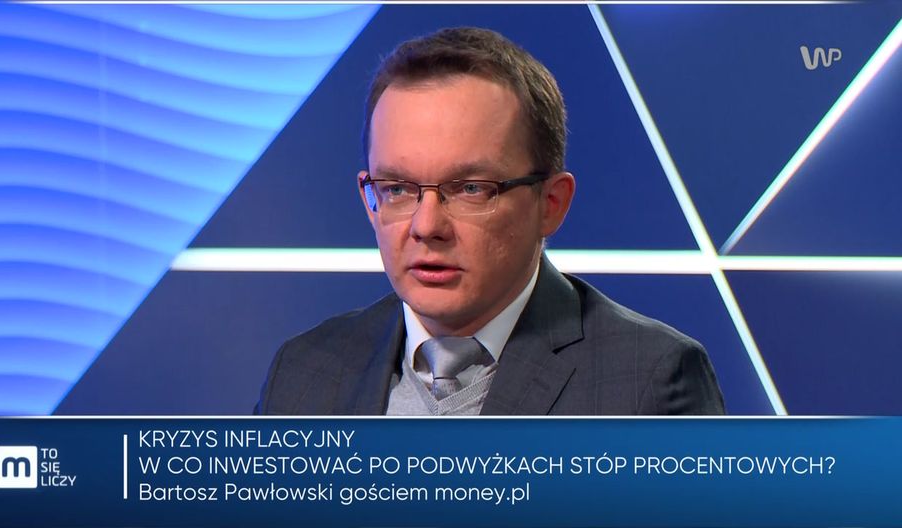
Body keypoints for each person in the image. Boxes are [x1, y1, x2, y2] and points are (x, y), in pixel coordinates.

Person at [255, 27, 725, 416]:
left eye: (470, 189)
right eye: (397, 189)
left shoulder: (649, 381)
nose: (426, 226)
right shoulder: (304, 374)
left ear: (551, 203)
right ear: (370, 198)